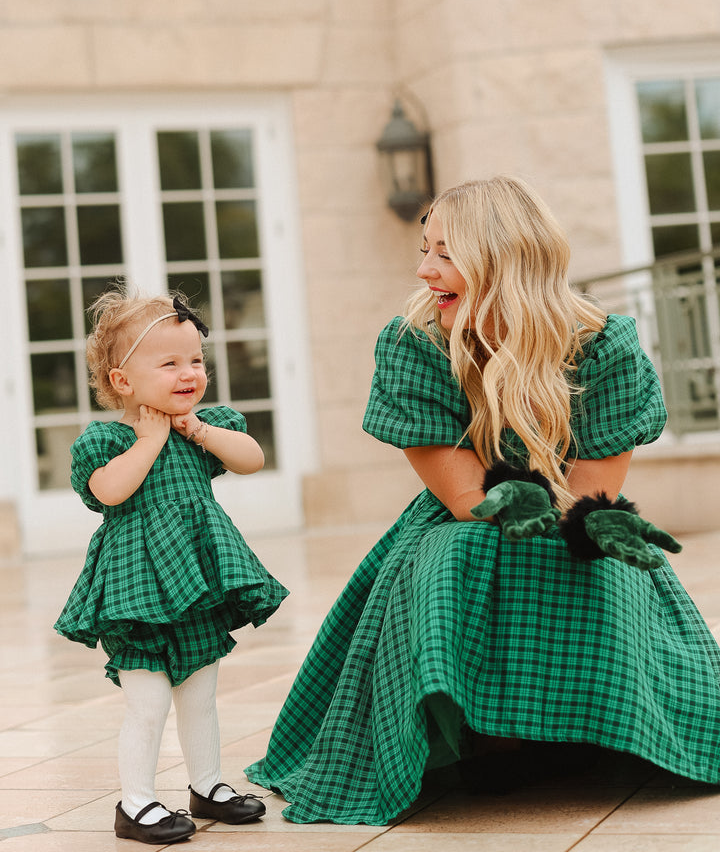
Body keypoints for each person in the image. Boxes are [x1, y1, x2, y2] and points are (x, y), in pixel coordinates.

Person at [245, 176, 720, 826]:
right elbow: (465, 494)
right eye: (425, 247)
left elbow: (591, 493)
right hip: (464, 514)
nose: (423, 269)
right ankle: (488, 739)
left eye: (444, 252)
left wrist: (592, 524)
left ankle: (583, 729)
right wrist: (512, 506)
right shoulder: (414, 342)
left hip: (565, 510)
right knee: (465, 552)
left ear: (504, 259)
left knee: (599, 559)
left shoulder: (603, 346)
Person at [54, 287, 288, 845]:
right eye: (171, 363)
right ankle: (135, 804)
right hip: (135, 590)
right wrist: (150, 439)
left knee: (201, 692)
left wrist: (200, 430)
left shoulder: (201, 431)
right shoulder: (109, 440)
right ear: (123, 382)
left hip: (195, 583)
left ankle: (207, 785)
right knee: (149, 700)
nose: (190, 373)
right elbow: (110, 493)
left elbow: (252, 459)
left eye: (196, 360)